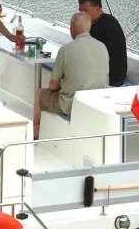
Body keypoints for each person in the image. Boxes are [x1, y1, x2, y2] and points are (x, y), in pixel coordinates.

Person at [33, 11, 109, 139]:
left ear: (72, 28)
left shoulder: (66, 50)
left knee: (40, 94)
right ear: (89, 28)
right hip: (97, 101)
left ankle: (36, 132)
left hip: (73, 104)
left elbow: (52, 86)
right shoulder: (102, 47)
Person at [78, 0, 128, 86]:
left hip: (109, 79)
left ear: (97, 9)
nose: (82, 15)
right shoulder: (110, 21)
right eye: (80, 11)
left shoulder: (100, 28)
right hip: (118, 76)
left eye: (85, 11)